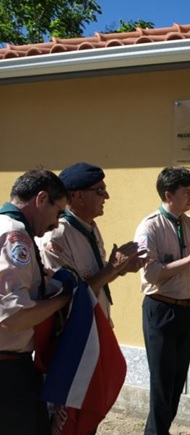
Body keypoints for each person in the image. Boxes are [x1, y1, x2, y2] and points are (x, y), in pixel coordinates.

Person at [135, 166, 190, 435]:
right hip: (160, 309)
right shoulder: (149, 226)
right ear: (168, 195)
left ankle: (159, 431)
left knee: (176, 381)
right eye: (187, 193)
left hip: (187, 309)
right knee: (161, 382)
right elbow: (151, 274)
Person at [0, 169, 71, 435]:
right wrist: (62, 299)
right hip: (7, 371)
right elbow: (13, 316)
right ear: (42, 199)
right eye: (58, 212)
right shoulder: (15, 235)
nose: (56, 223)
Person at [39, 162, 142, 324]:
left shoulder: (89, 227)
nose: (106, 197)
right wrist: (111, 268)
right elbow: (65, 296)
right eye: (100, 191)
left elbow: (97, 277)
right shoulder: (57, 235)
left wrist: (122, 268)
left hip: (97, 324)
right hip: (75, 332)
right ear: (79, 196)